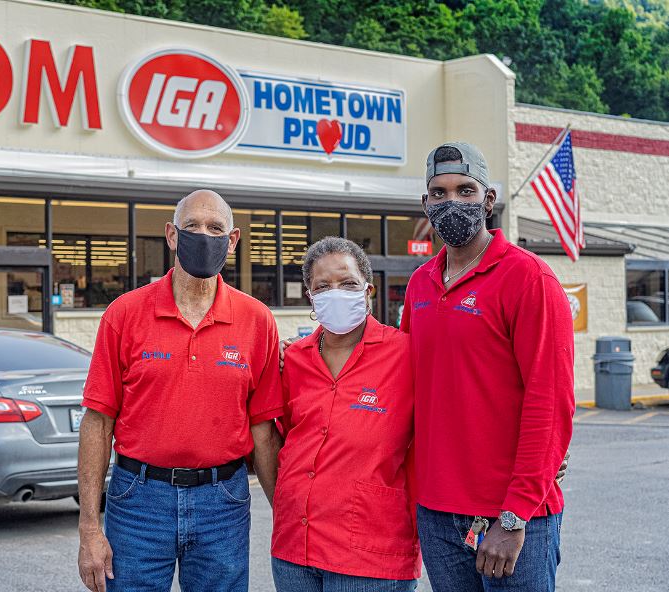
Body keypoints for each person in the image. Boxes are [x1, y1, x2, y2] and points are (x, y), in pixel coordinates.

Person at [76, 190, 284, 592]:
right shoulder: (124, 314)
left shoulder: (256, 321)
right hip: (138, 501)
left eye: (215, 228)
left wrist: (285, 521)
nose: (203, 235)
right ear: (171, 235)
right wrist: (89, 529)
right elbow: (98, 423)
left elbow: (263, 431)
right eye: (192, 226)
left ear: (233, 240)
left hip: (223, 502)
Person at [401, 142, 575, 591]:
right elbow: (400, 375)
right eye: (438, 193)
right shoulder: (420, 283)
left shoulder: (529, 279)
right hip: (437, 514)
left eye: (465, 190)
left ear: (489, 200)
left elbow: (549, 402)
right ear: (425, 204)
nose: (451, 201)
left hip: (513, 517)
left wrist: (515, 514)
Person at [272, 236, 421, 592]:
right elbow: (289, 436)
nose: (335, 292)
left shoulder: (406, 354)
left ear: (368, 290)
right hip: (296, 548)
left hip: (370, 553)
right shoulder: (293, 359)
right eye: (323, 286)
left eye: (348, 283)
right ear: (310, 296)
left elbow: (457, 415)